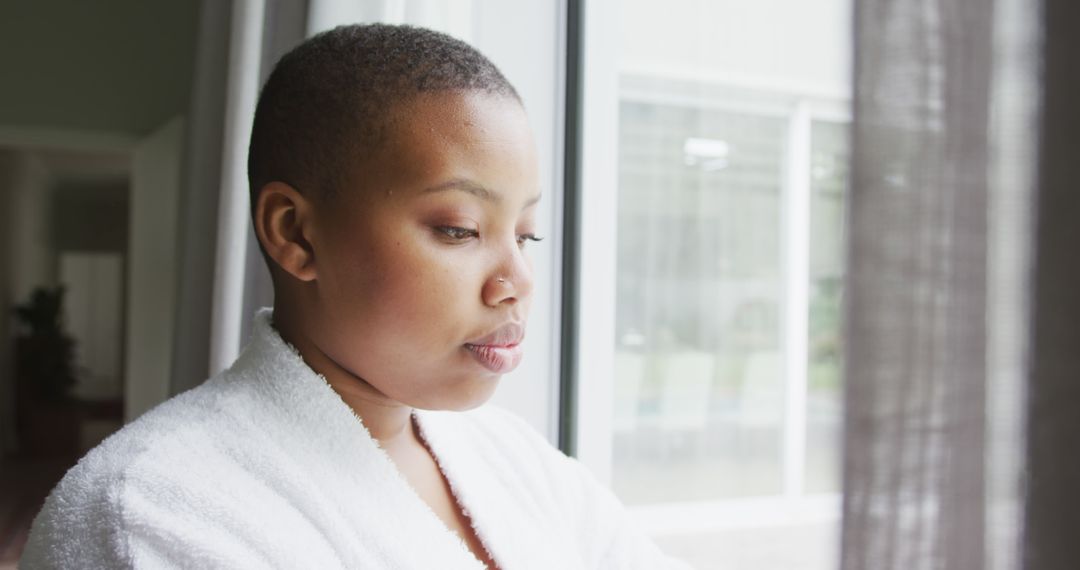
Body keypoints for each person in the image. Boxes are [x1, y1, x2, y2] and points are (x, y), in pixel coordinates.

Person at [21, 24, 691, 569]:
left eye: (527, 234)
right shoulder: (152, 513)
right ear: (297, 234)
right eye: (459, 229)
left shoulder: (508, 455)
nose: (515, 280)